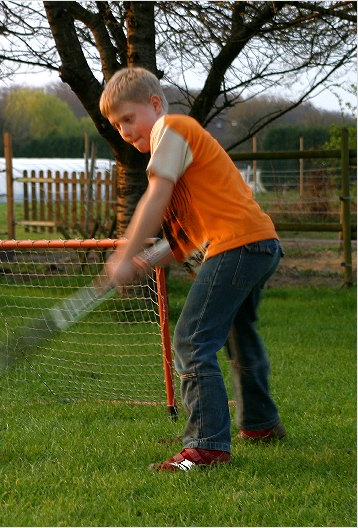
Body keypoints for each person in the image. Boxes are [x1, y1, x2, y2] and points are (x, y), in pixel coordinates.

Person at [99, 67, 285, 472]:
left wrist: (124, 251)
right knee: (239, 335)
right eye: (116, 126)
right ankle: (261, 423)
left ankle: (206, 446)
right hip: (259, 244)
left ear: (153, 105)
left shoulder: (173, 128)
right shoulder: (183, 170)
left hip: (238, 244)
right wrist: (140, 262)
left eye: (128, 119)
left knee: (191, 341)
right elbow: (179, 244)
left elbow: (153, 196)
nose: (124, 132)